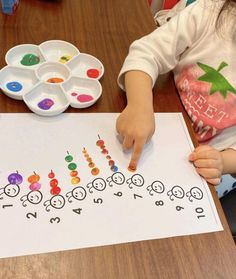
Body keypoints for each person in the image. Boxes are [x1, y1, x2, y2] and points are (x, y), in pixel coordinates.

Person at [116, 0, 236, 197]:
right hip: (161, 117)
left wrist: (222, 162)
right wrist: (139, 106)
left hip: (210, 162)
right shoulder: (209, 10)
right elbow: (146, 52)